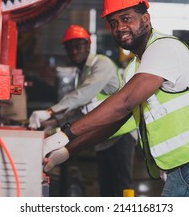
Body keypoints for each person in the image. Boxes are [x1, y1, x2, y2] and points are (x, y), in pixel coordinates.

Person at [42, 0, 189, 197]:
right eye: (113, 23)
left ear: (145, 18)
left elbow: (125, 101)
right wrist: (68, 149)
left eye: (126, 18)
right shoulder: (135, 68)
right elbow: (116, 119)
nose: (119, 28)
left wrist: (67, 132)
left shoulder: (165, 48)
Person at [29, 24, 137, 197]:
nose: (74, 51)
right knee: (107, 188)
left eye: (78, 45)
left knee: (122, 184)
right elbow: (83, 112)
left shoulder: (101, 64)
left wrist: (50, 111)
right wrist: (51, 125)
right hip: (101, 137)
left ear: (88, 45)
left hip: (120, 134)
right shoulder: (84, 72)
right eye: (70, 48)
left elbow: (83, 95)